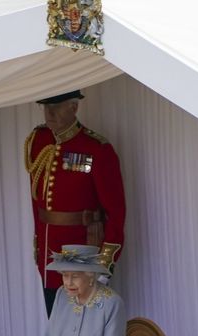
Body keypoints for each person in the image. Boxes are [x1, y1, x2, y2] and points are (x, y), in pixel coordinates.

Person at [25, 92, 125, 312]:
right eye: (46, 106)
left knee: (83, 331)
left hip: (81, 254)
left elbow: (116, 212)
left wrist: (104, 262)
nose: (49, 113)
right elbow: (37, 201)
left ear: (73, 107)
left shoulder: (96, 148)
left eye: (57, 106)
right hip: (48, 253)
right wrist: (38, 244)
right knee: (56, 325)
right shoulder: (38, 141)